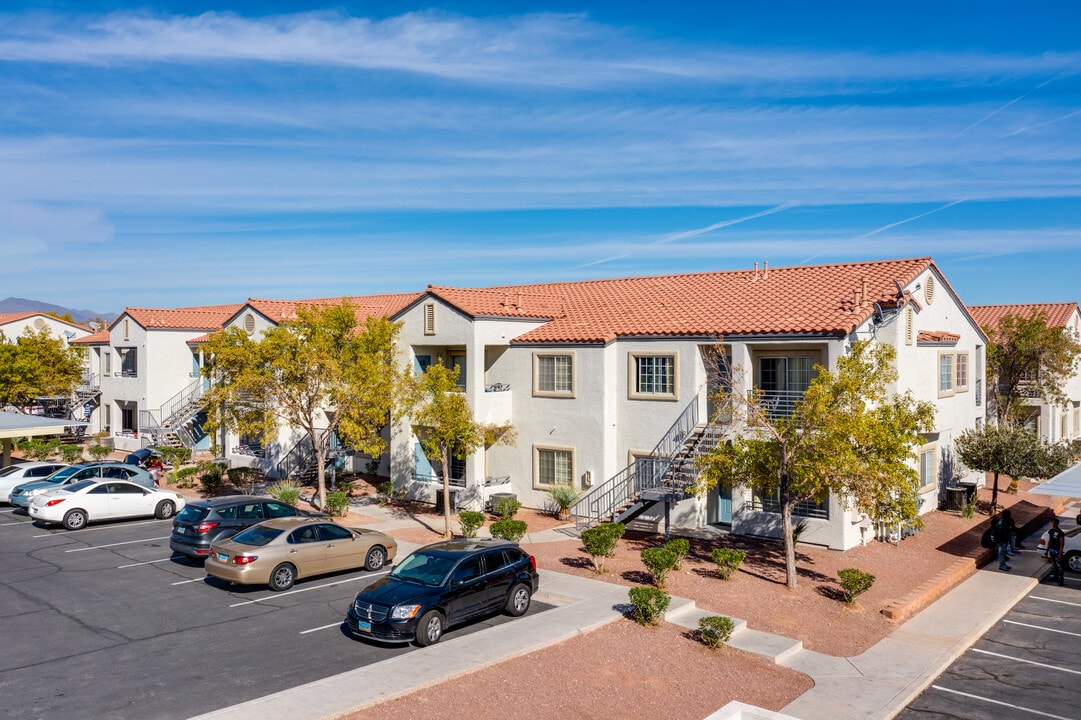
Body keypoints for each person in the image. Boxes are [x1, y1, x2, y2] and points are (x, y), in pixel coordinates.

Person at [1046, 516, 1065, 586]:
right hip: (1052, 550)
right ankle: (1055, 577)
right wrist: (1047, 550)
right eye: (1052, 523)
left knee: (1060, 566)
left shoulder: (1060, 532)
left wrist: (1060, 553)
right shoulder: (1050, 531)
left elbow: (1062, 543)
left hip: (1057, 551)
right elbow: (1049, 541)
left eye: (1054, 523)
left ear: (1057, 524)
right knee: (1054, 565)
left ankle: (1061, 580)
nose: (1053, 524)